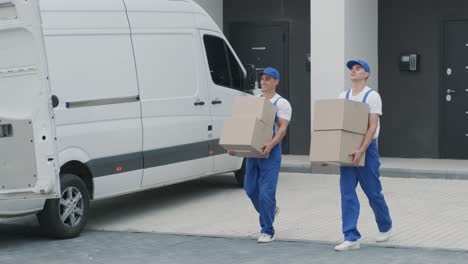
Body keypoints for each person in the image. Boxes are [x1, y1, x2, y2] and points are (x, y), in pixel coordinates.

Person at [334, 60, 393, 251]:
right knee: (347, 193)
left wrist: (362, 150)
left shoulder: (372, 96)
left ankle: (385, 226)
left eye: (358, 68)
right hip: (348, 150)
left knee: (373, 192)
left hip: (368, 149)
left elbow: (372, 126)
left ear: (366, 74)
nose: (353, 70)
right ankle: (351, 236)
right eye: (352, 68)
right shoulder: (343, 95)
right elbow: (339, 126)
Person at [229, 67, 292, 243]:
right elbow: (244, 125)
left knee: (266, 193)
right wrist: (235, 145)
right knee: (250, 189)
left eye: (268, 79)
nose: (264, 82)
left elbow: (282, 128)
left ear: (276, 82)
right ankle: (270, 211)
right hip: (253, 152)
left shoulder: (282, 103)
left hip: (270, 153)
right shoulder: (254, 101)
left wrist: (271, 144)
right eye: (262, 79)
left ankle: (267, 230)